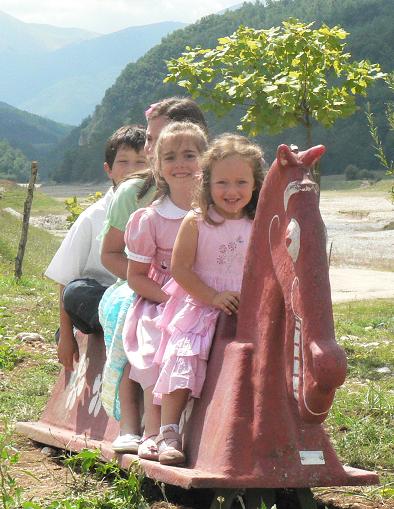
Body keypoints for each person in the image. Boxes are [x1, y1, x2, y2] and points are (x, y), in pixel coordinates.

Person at [98, 97, 208, 453]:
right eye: (154, 142)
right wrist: (163, 294)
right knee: (139, 322)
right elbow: (115, 258)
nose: (151, 149)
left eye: (183, 150)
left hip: (200, 289)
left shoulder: (220, 196)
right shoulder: (137, 195)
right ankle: (137, 424)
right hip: (146, 283)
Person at [152, 134, 265, 465]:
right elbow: (181, 269)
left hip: (245, 310)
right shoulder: (198, 220)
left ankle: (248, 431)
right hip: (202, 305)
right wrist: (213, 296)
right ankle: (168, 432)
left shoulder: (258, 223)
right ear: (207, 182)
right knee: (183, 359)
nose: (232, 191)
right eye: (222, 182)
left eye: (241, 182)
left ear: (255, 184)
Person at [45, 125, 147, 371]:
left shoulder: (159, 211)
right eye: (123, 162)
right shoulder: (93, 217)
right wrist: (67, 337)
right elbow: (65, 279)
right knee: (76, 291)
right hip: (101, 302)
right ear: (108, 169)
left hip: (143, 296)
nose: (132, 170)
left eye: (141, 162)